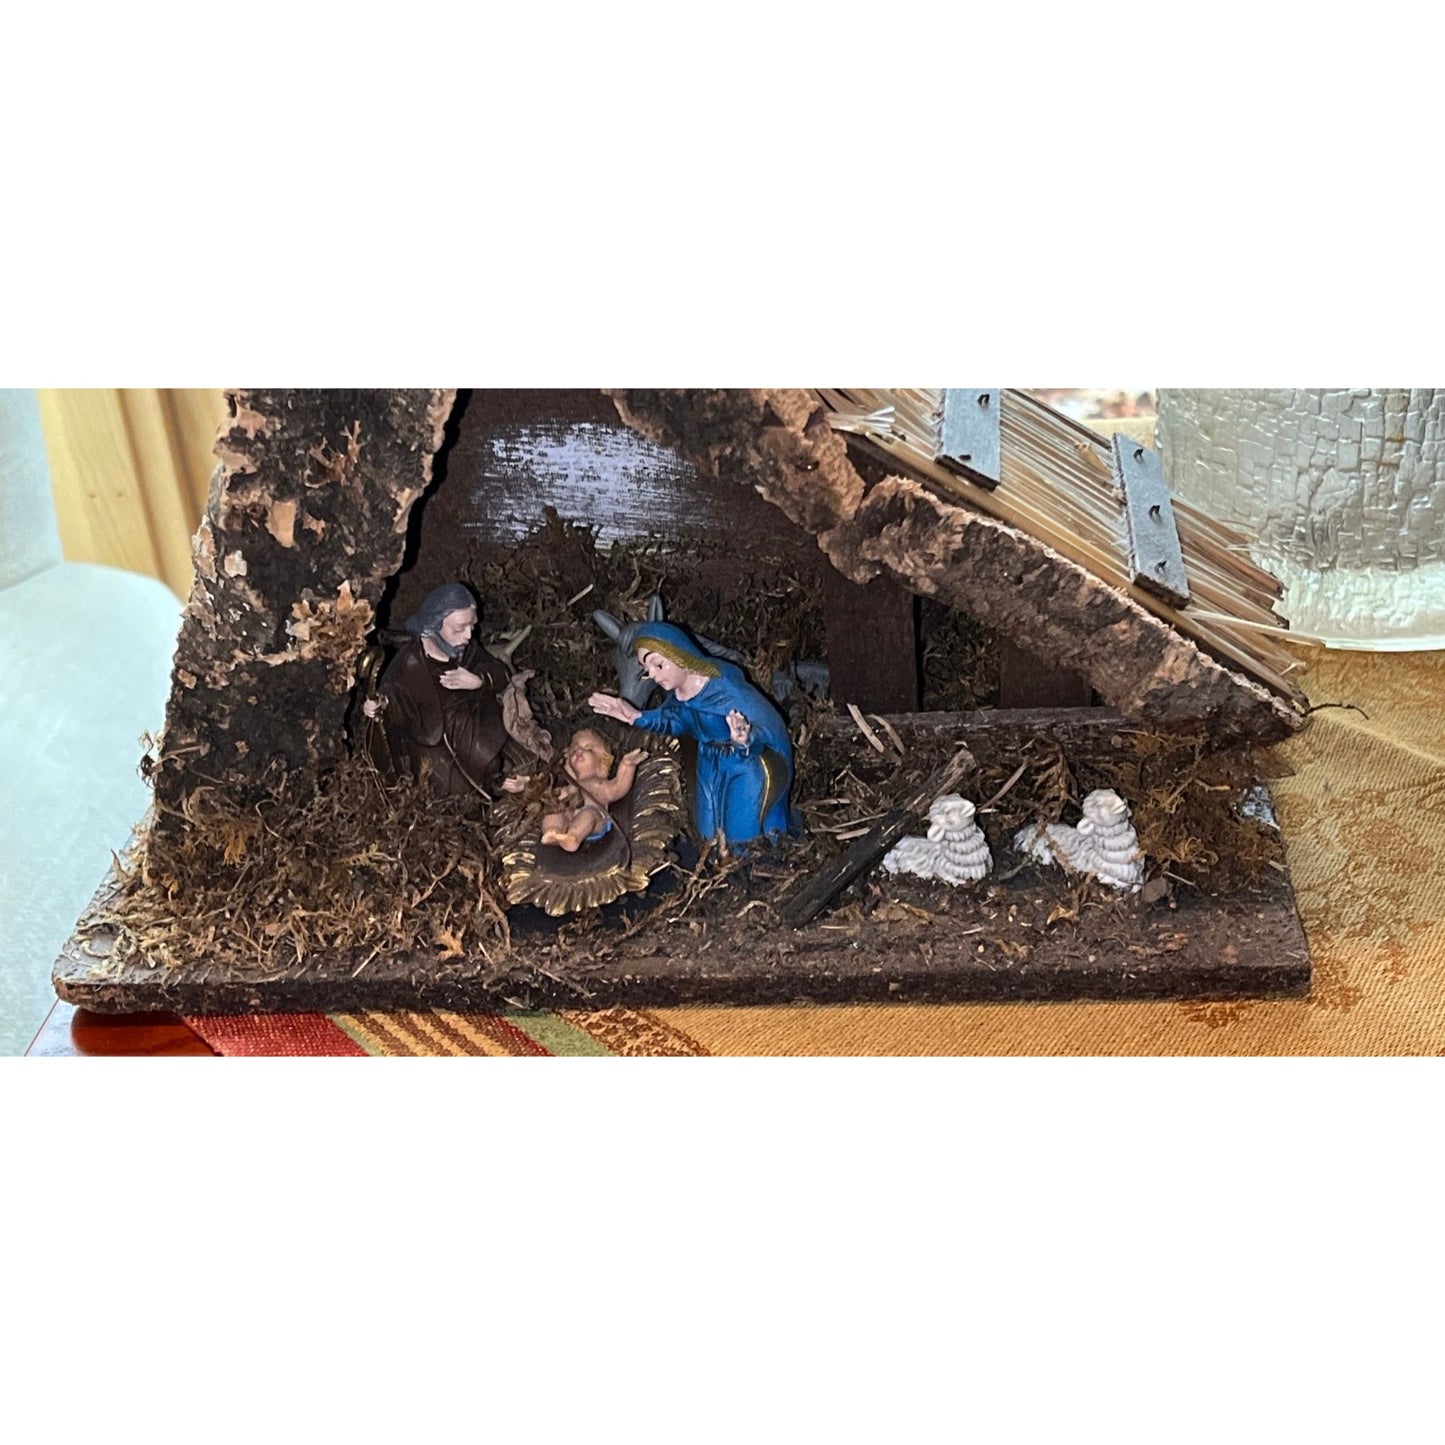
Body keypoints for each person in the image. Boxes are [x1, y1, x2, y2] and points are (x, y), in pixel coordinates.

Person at [588, 621, 798, 850]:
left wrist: (746, 740)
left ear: (679, 655)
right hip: (709, 762)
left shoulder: (725, 687)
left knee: (742, 835)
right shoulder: (679, 695)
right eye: (647, 670)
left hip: (745, 766)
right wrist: (635, 716)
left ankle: (756, 863)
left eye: (658, 665)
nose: (654, 675)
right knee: (708, 831)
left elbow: (767, 724)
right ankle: (716, 864)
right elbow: (675, 721)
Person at [363, 582, 511, 797]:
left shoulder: (467, 650)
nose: (468, 636)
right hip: (430, 739)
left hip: (471, 731)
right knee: (454, 789)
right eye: (459, 629)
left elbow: (500, 674)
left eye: (471, 627)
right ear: (433, 626)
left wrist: (478, 681)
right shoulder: (409, 664)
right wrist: (380, 705)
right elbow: (395, 699)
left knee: (490, 764)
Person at [538, 729, 648, 852]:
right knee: (554, 811)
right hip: (569, 816)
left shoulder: (600, 784)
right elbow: (552, 797)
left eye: (589, 749)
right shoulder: (569, 786)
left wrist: (627, 765)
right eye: (574, 750)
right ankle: (553, 831)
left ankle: (573, 838)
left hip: (595, 819)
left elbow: (619, 786)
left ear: (603, 759)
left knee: (588, 815)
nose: (579, 751)